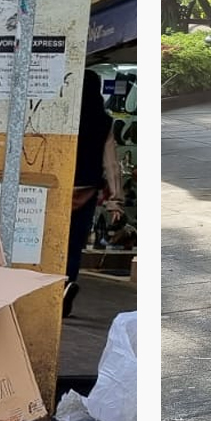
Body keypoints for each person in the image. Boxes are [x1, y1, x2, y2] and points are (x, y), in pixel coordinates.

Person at [66, 73, 123, 318]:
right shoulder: (104, 121)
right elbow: (111, 165)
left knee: (53, 242)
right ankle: (68, 283)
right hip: (87, 191)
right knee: (75, 244)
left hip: (60, 189)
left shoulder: (65, 117)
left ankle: (53, 286)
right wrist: (115, 201)